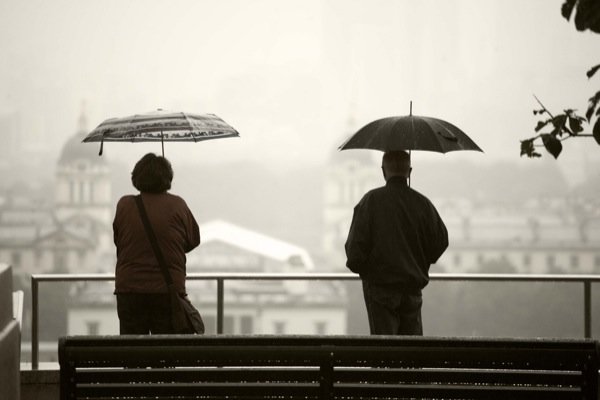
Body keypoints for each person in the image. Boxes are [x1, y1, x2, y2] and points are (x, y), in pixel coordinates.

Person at [345, 150, 448, 335]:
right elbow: (440, 242)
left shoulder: (371, 201)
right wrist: (420, 262)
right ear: (410, 171)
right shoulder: (423, 204)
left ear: (383, 171)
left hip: (379, 290)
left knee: (384, 352)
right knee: (411, 351)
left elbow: (354, 253)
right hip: (412, 290)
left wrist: (369, 272)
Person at [113, 153, 200, 334]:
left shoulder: (125, 205)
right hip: (167, 292)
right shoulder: (178, 205)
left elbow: (118, 241)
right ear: (167, 178)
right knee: (165, 353)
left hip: (130, 290)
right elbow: (193, 240)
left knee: (133, 351)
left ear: (136, 177)